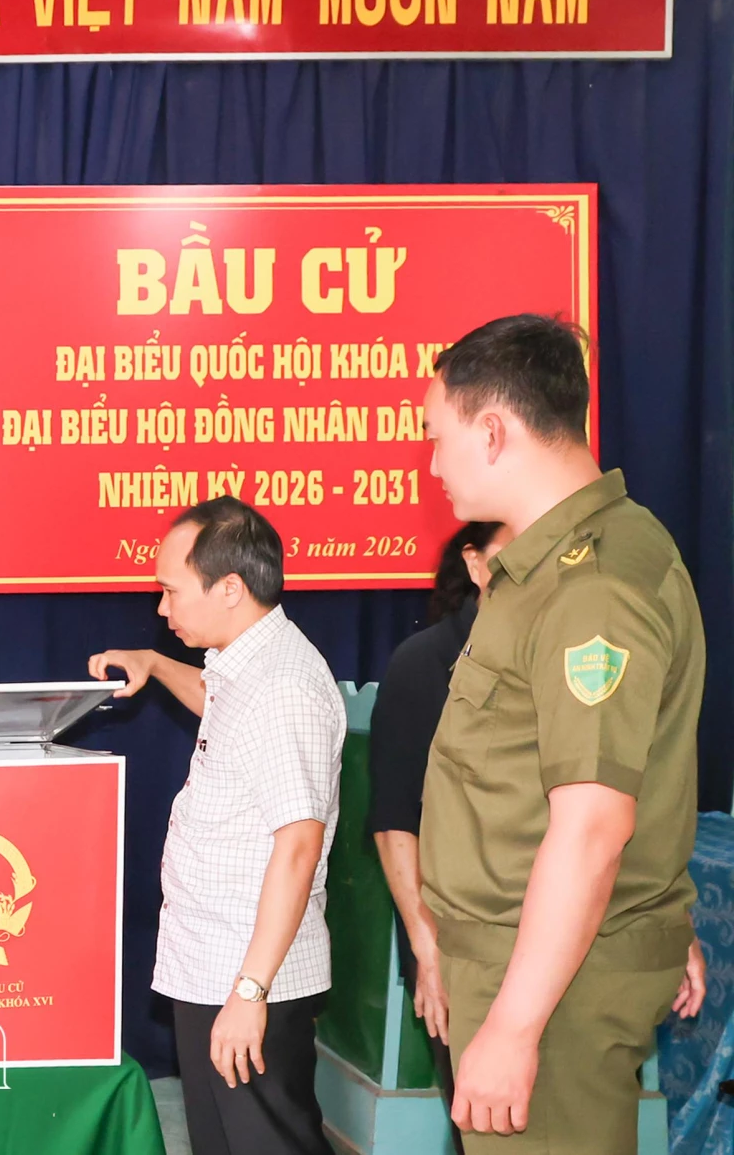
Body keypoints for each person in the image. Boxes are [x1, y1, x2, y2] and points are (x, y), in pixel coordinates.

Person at [420, 313, 707, 1149]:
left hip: (551, 985)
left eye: (438, 440)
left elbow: (591, 828)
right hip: (538, 961)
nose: (432, 466)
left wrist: (515, 1028)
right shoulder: (554, 563)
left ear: (493, 432)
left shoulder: (593, 587)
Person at [91, 496, 345, 1155]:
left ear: (230, 588)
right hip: (213, 966)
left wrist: (249, 993)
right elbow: (220, 704)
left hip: (248, 975)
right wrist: (155, 665)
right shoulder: (248, 665)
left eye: (172, 591)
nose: (161, 608)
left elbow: (299, 845)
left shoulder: (283, 686)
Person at [369, 521, 509, 1155]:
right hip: (459, 945)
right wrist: (429, 954)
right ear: (474, 564)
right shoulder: (423, 663)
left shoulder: (563, 649)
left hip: (557, 935)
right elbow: (394, 819)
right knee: (483, 1123)